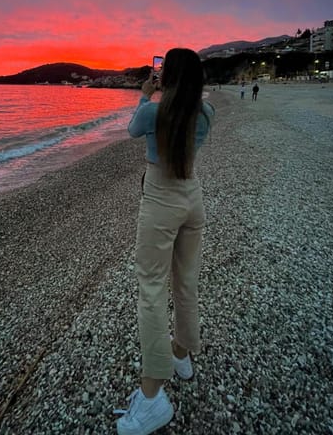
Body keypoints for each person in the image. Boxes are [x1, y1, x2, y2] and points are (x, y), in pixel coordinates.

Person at [115, 48, 214, 435]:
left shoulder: (152, 111)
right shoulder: (207, 114)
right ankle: (181, 355)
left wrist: (145, 92)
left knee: (152, 290)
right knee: (186, 283)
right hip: (193, 198)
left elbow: (132, 129)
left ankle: (153, 395)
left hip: (160, 199)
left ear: (165, 76)